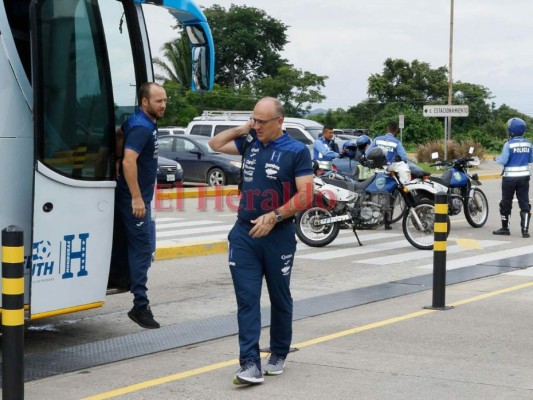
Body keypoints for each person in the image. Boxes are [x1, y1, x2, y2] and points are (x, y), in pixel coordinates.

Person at [208, 97, 314, 385]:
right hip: (244, 233)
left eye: (262, 122)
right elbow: (215, 145)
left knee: (279, 297)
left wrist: (275, 215)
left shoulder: (296, 151)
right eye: (254, 119)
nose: (257, 126)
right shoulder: (250, 141)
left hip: (278, 235)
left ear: (280, 121)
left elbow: (305, 195)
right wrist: (242, 128)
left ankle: (278, 351)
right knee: (247, 300)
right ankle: (249, 363)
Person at [114, 82, 167, 329]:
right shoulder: (142, 127)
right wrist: (136, 197)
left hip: (138, 197)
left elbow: (119, 135)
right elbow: (129, 162)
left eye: (165, 100)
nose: (163, 105)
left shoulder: (142, 123)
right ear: (145, 102)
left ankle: (132, 291)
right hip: (134, 200)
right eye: (158, 101)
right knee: (143, 249)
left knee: (136, 248)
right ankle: (140, 305)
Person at [493, 117, 533, 238]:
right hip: (524, 178)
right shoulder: (528, 143)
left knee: (506, 202)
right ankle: (525, 230)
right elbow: (531, 159)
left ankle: (505, 228)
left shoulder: (508, 144)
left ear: (511, 131)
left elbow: (504, 160)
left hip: (510, 178)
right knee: (524, 202)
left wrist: (496, 159)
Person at [367, 122, 407, 230]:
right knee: (390, 196)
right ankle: (387, 222)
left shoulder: (377, 139)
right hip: (389, 172)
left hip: (375, 172)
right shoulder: (397, 142)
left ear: (387, 128)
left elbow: (367, 153)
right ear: (396, 130)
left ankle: (368, 217)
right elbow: (403, 157)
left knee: (370, 193)